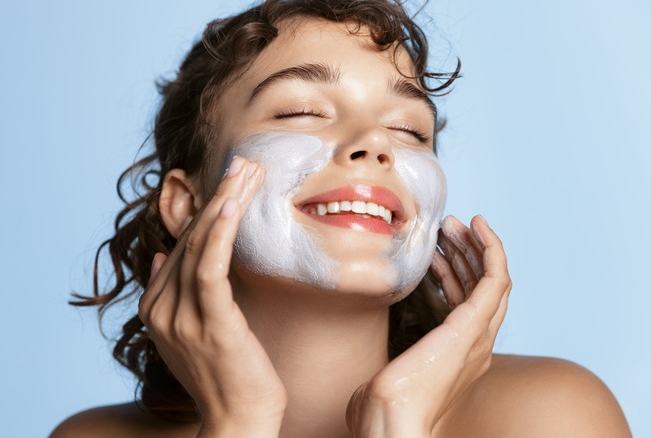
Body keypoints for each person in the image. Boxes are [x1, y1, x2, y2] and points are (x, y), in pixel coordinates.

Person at [52, 1, 632, 436]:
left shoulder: (548, 416)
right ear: (187, 203)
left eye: (408, 129)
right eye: (302, 111)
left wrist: (394, 423)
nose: (374, 146)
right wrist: (239, 423)